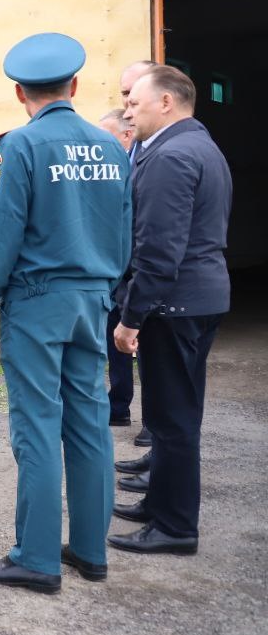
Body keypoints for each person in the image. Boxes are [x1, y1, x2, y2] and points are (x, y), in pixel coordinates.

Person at [0, 33, 132, 594]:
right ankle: (90, 550)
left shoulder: (18, 147)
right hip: (94, 301)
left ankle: (35, 558)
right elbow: (125, 230)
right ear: (76, 86)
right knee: (89, 423)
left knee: (36, 425)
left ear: (19, 93)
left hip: (37, 303)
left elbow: (1, 236)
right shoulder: (111, 146)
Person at [108, 65, 231, 556]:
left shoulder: (171, 156)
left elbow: (158, 252)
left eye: (135, 103)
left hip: (175, 305)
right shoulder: (200, 145)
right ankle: (158, 506)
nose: (127, 111)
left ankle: (175, 527)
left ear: (166, 103)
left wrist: (130, 318)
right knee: (171, 415)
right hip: (199, 298)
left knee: (173, 419)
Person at [115, 60, 160, 448]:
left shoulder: (167, 151)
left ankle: (156, 431)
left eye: (132, 95)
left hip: (154, 278)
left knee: (154, 357)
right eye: (123, 95)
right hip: (129, 271)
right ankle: (154, 457)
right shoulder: (141, 148)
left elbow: (159, 234)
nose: (127, 105)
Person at [98, 109, 137, 430]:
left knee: (146, 347)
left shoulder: (143, 165)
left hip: (137, 272)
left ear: (127, 135)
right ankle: (119, 406)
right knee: (115, 341)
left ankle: (154, 421)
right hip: (111, 273)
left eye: (106, 135)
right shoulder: (105, 167)